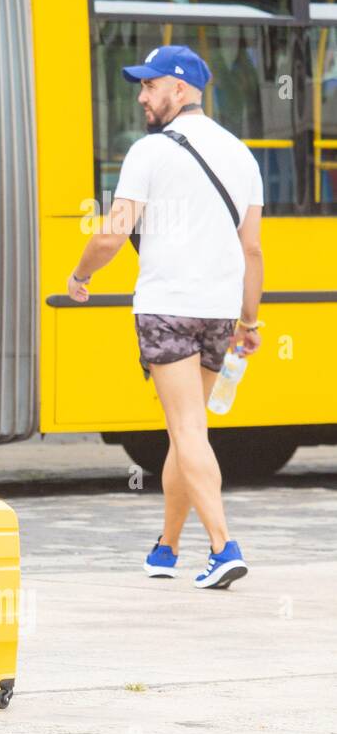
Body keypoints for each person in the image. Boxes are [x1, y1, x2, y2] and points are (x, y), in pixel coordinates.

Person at [67, 45, 264, 589]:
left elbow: (111, 233)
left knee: (187, 430)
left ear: (180, 90)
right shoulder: (241, 155)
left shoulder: (149, 152)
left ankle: (224, 548)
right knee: (186, 431)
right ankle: (167, 548)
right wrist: (249, 322)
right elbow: (252, 251)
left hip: (168, 308)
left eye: (150, 85)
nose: (141, 95)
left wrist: (80, 277)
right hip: (219, 313)